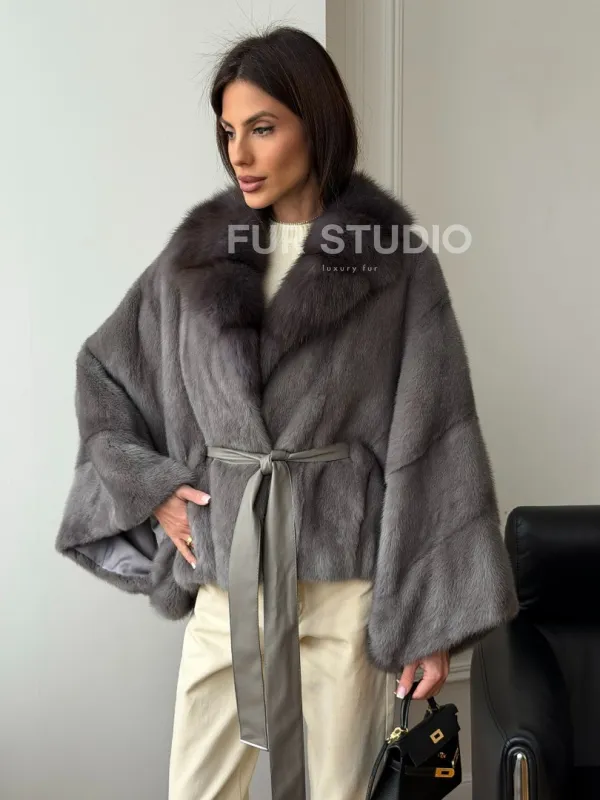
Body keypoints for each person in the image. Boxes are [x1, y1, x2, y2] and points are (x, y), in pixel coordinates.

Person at [55, 24, 519, 800]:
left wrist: (430, 619)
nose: (238, 153)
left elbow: (435, 436)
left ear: (316, 122)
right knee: (198, 790)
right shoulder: (193, 260)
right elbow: (105, 374)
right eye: (228, 131)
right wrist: (154, 488)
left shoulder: (395, 264)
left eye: (262, 128)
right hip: (227, 582)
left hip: (345, 594)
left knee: (340, 791)